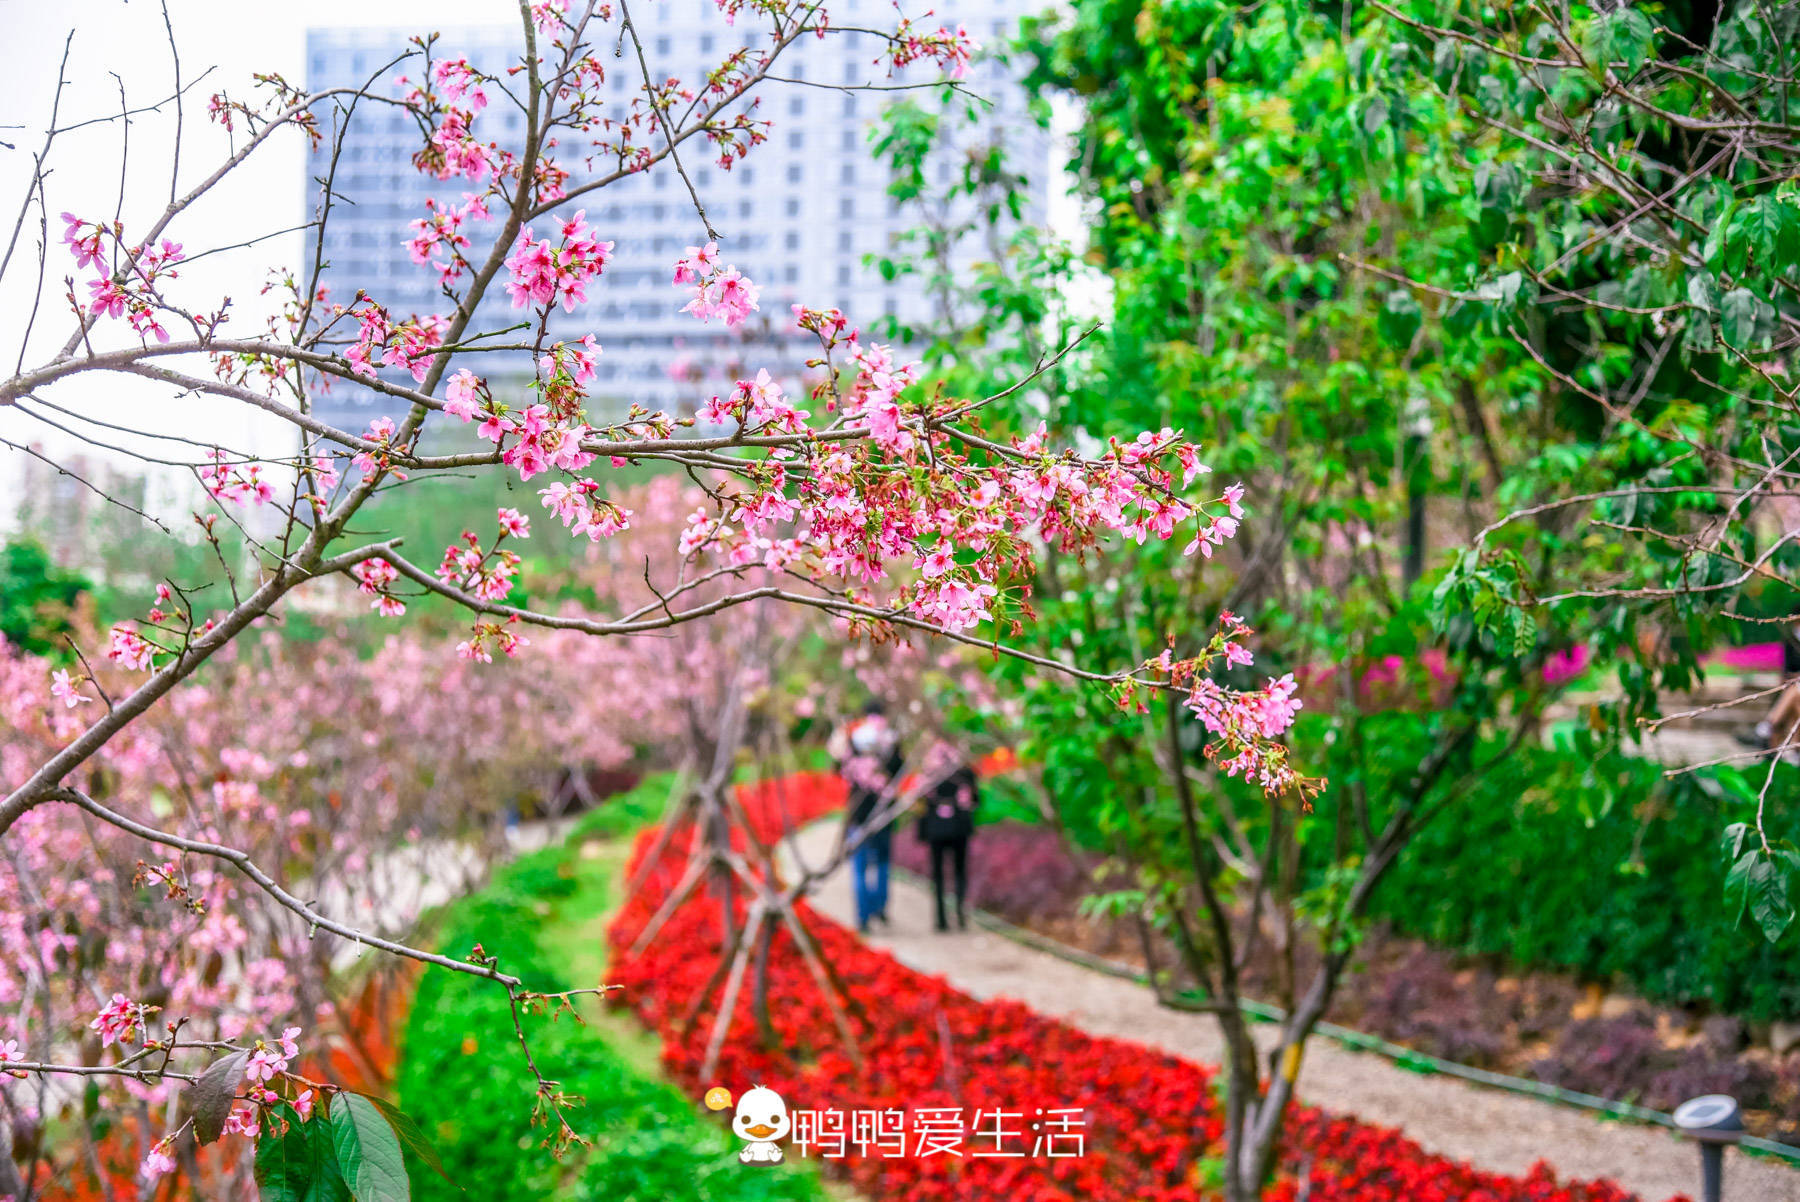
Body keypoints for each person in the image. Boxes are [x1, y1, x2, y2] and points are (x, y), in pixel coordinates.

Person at [832, 701, 902, 934]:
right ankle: (879, 908)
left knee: (860, 865)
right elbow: (900, 771)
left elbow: (839, 769)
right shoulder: (891, 740)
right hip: (884, 810)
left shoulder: (854, 740)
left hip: (859, 812)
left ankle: (863, 915)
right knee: (882, 862)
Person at [917, 751, 978, 932]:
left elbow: (920, 804)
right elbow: (975, 800)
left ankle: (945, 917)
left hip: (944, 829)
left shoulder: (934, 773)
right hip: (954, 828)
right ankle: (952, 914)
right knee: (955, 872)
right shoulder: (960, 773)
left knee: (942, 874)